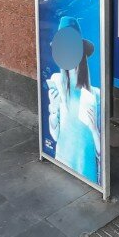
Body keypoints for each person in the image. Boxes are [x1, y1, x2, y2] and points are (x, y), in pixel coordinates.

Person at [46, 16, 101, 184]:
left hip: (86, 168)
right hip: (63, 158)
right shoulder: (56, 82)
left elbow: (101, 152)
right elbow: (56, 136)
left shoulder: (96, 95)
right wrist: (53, 111)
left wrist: (94, 130)